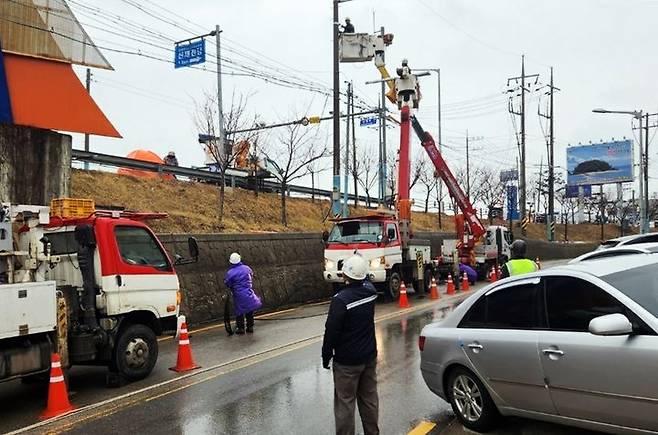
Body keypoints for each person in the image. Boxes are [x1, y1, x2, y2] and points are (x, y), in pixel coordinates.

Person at [322, 255, 379, 435]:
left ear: (345, 275)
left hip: (347, 362)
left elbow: (331, 330)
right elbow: (367, 282)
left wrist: (326, 354)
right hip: (369, 356)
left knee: (345, 403)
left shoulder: (341, 300)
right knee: (369, 399)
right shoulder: (370, 292)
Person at [224, 252, 262, 334]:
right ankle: (250, 327)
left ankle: (241, 328)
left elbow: (227, 283)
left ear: (231, 261)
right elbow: (251, 275)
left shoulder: (230, 272)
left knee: (239, 311)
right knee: (249, 309)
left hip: (238, 294)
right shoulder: (247, 268)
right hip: (248, 291)